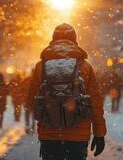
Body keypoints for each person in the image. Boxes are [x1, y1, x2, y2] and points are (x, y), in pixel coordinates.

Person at [26, 23, 107, 160]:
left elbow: (30, 101)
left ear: (53, 39)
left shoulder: (41, 67)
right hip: (78, 136)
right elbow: (96, 104)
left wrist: (51, 111)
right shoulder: (85, 67)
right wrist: (99, 134)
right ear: (74, 40)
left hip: (49, 135)